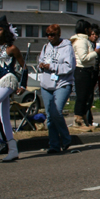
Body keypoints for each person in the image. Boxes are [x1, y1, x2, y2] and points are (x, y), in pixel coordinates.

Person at [0, 16, 27, 162]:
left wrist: (22, 85)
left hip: (9, 80)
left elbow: (24, 67)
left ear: (6, 31)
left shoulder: (12, 48)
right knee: (4, 119)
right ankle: (13, 150)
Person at [37, 24, 75, 154]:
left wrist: (51, 66)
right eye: (47, 35)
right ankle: (54, 145)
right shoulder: (45, 47)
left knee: (56, 111)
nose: (49, 37)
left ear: (58, 35)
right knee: (50, 116)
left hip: (62, 83)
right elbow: (41, 61)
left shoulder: (67, 47)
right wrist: (41, 65)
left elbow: (69, 67)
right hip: (46, 84)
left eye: (52, 35)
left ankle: (65, 138)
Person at [70, 19, 97, 130]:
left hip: (86, 70)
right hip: (82, 70)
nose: (91, 32)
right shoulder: (81, 41)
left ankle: (83, 118)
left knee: (86, 96)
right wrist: (96, 53)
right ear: (86, 29)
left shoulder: (83, 40)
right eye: (89, 29)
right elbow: (83, 58)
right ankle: (78, 119)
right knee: (81, 96)